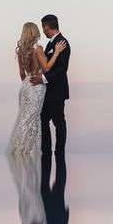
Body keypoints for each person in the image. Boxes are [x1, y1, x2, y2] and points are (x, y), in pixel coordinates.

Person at [6, 22, 66, 155]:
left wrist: (28, 83)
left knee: (25, 117)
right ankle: (29, 151)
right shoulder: (37, 48)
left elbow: (22, 74)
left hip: (26, 85)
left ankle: (20, 150)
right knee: (33, 118)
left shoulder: (21, 49)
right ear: (34, 32)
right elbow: (47, 67)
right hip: (37, 86)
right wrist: (56, 53)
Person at [30, 14, 71, 156]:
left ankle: (59, 151)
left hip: (57, 91)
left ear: (47, 27)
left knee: (59, 122)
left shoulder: (63, 43)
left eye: (43, 28)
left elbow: (62, 68)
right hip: (46, 92)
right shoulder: (49, 44)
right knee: (43, 121)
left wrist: (44, 79)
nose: (43, 31)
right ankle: (46, 150)